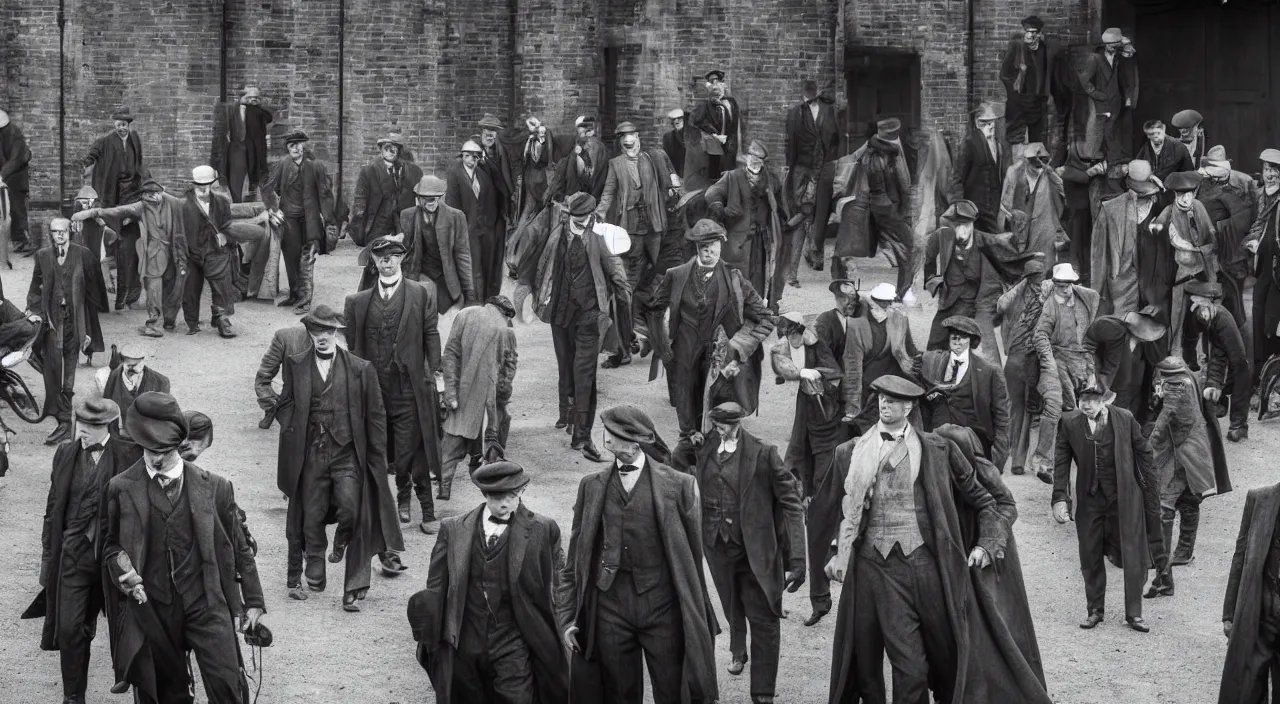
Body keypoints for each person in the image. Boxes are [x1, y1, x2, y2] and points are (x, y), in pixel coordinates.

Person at [825, 375, 1051, 704]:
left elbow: (986, 501)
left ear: (910, 406)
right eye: (880, 399)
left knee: (947, 661)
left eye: (892, 400)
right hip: (880, 570)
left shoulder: (939, 449)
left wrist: (985, 545)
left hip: (931, 569)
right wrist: (837, 550)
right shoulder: (852, 452)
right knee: (904, 668)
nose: (884, 405)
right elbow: (842, 510)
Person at [101, 391, 264, 704]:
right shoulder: (120, 488)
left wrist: (253, 600)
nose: (156, 458)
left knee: (229, 688)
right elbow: (111, 547)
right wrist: (125, 572)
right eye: (149, 449)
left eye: (163, 449)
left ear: (180, 444)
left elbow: (239, 548)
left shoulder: (216, 487)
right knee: (164, 696)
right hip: (154, 610)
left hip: (206, 603)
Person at [557, 405, 720, 704]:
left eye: (614, 435)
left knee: (673, 692)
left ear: (635, 442)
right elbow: (574, 561)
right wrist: (568, 616)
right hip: (610, 608)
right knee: (618, 694)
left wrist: (697, 611)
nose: (606, 439)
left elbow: (692, 559)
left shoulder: (679, 486)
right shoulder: (590, 487)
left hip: (662, 607)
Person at [274, 305, 406, 609]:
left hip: (348, 451)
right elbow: (286, 402)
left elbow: (376, 416)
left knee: (351, 507)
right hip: (312, 453)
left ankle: (342, 541)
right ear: (309, 332)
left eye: (328, 331)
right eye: (316, 330)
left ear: (337, 333)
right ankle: (316, 557)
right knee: (312, 510)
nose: (322, 336)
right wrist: (291, 431)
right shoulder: (295, 364)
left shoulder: (361, 368)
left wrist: (378, 459)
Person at [409, 460, 569, 704]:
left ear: (522, 492)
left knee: (518, 698)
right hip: (465, 639)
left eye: (511, 496)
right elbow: (436, 586)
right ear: (484, 494)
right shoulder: (453, 529)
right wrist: (431, 634)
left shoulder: (543, 529)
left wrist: (569, 624)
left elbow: (561, 583)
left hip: (514, 639)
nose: (504, 504)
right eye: (496, 498)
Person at [693, 402, 804, 704]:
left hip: (756, 549)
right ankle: (737, 649)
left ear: (739, 423)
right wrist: (685, 447)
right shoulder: (703, 448)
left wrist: (797, 558)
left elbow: (792, 504)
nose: (719, 430)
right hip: (717, 545)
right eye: (716, 425)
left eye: (725, 426)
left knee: (764, 617)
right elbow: (671, 468)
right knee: (731, 604)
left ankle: (763, 693)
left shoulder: (763, 453)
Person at [26, 399, 132, 704]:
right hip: (72, 557)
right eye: (80, 423)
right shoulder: (65, 453)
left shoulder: (129, 455)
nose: (81, 431)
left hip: (111, 560)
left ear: (107, 427)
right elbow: (52, 508)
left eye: (90, 426)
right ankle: (73, 697)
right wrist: (48, 559)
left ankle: (132, 678)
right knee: (71, 629)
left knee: (127, 626)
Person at [647, 218, 774, 463]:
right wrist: (663, 348)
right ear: (696, 249)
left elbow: (765, 317)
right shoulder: (676, 275)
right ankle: (686, 448)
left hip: (719, 358)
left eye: (713, 247)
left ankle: (714, 453)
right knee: (685, 403)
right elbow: (653, 310)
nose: (709, 253)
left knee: (715, 407)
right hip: (683, 352)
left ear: (721, 245)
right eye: (704, 248)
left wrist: (741, 346)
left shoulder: (734, 279)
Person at [517, 191, 629, 462]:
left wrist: (624, 312)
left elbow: (617, 274)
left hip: (590, 316)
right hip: (560, 314)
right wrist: (527, 292)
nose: (579, 222)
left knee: (585, 374)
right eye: (574, 217)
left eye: (583, 218)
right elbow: (535, 262)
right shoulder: (555, 234)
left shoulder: (602, 237)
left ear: (591, 215)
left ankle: (582, 432)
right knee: (565, 364)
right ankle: (565, 411)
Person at [344, 235, 444, 532]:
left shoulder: (421, 294)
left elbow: (431, 335)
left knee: (411, 449)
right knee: (374, 450)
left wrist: (435, 373)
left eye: (393, 257)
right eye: (381, 258)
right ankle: (385, 504)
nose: (387, 263)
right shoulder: (358, 302)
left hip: (408, 388)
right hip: (375, 390)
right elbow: (352, 347)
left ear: (402, 259)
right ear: (373, 262)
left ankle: (423, 507)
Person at [1053, 382, 1162, 633]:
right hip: (1090, 500)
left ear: (1105, 400)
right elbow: (1061, 462)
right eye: (1083, 399)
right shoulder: (1069, 422)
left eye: (1093, 399)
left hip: (1124, 497)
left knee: (1133, 555)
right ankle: (1094, 610)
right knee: (1089, 555)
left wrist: (1151, 498)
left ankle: (1134, 614)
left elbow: (1145, 455)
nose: (1087, 404)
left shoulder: (1124, 418)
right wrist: (1060, 497)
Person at [769, 303, 852, 626]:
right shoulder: (783, 347)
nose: (792, 337)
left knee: (823, 497)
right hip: (809, 416)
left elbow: (835, 374)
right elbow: (782, 366)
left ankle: (827, 549)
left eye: (795, 331)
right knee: (798, 478)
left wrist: (820, 378)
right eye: (788, 332)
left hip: (827, 420)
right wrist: (801, 374)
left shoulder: (818, 345)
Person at [595, 121, 681, 366]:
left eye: (631, 136)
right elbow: (608, 194)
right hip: (628, 233)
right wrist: (598, 215)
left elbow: (672, 187)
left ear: (638, 138)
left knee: (657, 282)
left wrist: (674, 195)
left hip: (655, 229)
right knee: (624, 288)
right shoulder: (615, 165)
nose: (627, 141)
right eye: (623, 138)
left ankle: (651, 336)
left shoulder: (651, 160)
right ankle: (622, 346)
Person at [1146, 355, 1231, 598]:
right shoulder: (1189, 377)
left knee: (1165, 506)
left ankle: (1164, 574)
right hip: (1193, 447)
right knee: (1188, 499)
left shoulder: (1175, 386)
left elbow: (1165, 419)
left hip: (1183, 452)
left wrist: (1148, 448)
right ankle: (1181, 554)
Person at [27, 217, 107, 445]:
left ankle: (65, 420)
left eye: (63, 231)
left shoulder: (83, 255)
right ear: (50, 234)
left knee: (70, 371)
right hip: (53, 324)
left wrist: (90, 323)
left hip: (75, 322)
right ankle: (62, 418)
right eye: (54, 232)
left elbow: (95, 288)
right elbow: (34, 287)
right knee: (53, 370)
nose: (59, 235)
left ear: (70, 231)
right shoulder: (42, 256)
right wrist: (33, 310)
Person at [73, 179, 188, 337]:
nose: (151, 197)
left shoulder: (173, 202)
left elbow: (191, 208)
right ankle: (154, 324)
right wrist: (94, 212)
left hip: (175, 253)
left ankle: (167, 320)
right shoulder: (142, 206)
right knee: (154, 289)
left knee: (172, 287)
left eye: (154, 193)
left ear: (161, 192)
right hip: (155, 254)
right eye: (148, 194)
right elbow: (118, 211)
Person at [441, 295, 518, 496]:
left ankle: (444, 485)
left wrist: (450, 391)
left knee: (451, 445)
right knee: (489, 442)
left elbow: (450, 352)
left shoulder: (465, 314)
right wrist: (502, 397)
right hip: (487, 399)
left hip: (459, 394)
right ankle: (488, 485)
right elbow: (509, 368)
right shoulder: (506, 329)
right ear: (506, 314)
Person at [831, 117, 916, 296]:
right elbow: (905, 186)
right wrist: (903, 212)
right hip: (888, 210)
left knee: (846, 248)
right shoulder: (893, 154)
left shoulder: (867, 152)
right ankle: (903, 293)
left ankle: (842, 287)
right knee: (910, 248)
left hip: (869, 206)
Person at [916, 315, 1010, 469]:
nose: (957, 339)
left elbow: (1001, 417)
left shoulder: (988, 371)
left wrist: (999, 457)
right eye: (953, 334)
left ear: (972, 340)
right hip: (936, 439)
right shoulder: (931, 362)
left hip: (972, 442)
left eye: (963, 335)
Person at [706, 139, 790, 309]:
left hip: (762, 236)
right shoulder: (733, 176)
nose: (754, 161)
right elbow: (712, 193)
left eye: (759, 159)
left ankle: (756, 305)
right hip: (738, 237)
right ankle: (733, 306)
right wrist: (718, 207)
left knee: (760, 272)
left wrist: (783, 219)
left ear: (763, 162)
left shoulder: (771, 179)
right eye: (752, 157)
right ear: (747, 157)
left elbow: (781, 204)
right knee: (737, 272)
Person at [261, 130, 336, 314]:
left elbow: (325, 195)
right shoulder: (282, 165)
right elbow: (268, 188)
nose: (295, 148)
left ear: (304, 146)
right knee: (291, 258)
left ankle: (305, 300)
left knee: (307, 259)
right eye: (291, 145)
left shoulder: (316, 166)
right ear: (287, 148)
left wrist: (329, 221)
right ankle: (295, 293)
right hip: (289, 219)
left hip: (310, 219)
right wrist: (273, 209)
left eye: (299, 144)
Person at [1218, 481, 1280, 704]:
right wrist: (1229, 613)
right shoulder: (1260, 499)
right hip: (1260, 617)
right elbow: (1240, 556)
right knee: (1247, 692)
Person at [995, 259, 1057, 475]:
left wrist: (1023, 283)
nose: (1041, 279)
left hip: (1021, 359)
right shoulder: (1043, 297)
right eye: (1038, 276)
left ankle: (1017, 459)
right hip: (1026, 361)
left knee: (1018, 409)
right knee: (1024, 409)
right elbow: (1000, 305)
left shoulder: (1029, 297)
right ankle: (1019, 459)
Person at [83, 106, 148, 310]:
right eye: (118, 125)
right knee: (114, 247)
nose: (122, 128)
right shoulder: (104, 141)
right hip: (112, 195)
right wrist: (85, 165)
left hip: (132, 193)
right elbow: (91, 156)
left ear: (129, 125)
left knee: (131, 247)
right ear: (114, 125)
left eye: (125, 125)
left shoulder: (135, 138)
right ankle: (112, 295)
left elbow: (140, 162)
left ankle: (131, 296)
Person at [1035, 263, 1100, 454]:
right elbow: (1040, 335)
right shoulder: (1050, 305)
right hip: (1058, 359)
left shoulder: (1083, 298)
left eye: (1068, 284)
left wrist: (1090, 367)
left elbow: (1094, 296)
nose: (1065, 289)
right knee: (1057, 405)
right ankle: (1043, 459)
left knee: (1089, 408)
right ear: (1054, 284)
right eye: (1060, 285)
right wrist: (1049, 364)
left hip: (1083, 361)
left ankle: (1083, 453)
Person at [1091, 159, 1170, 317]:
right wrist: (1096, 292)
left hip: (1152, 283)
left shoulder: (1159, 206)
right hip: (1123, 281)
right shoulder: (1111, 210)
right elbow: (1098, 255)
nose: (1145, 197)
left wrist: (1162, 189)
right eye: (1140, 192)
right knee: (1122, 323)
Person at [923, 200, 1004, 355]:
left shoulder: (984, 241)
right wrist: (933, 281)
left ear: (973, 224)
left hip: (973, 304)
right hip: (948, 300)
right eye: (958, 225)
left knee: (977, 348)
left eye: (966, 225)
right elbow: (927, 258)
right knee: (935, 343)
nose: (962, 230)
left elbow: (1007, 252)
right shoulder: (942, 236)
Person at [1151, 170, 1218, 352]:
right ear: (1175, 195)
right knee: (1176, 315)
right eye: (1181, 195)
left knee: (1203, 315)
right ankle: (1174, 351)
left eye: (1188, 195)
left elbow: (1212, 235)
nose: (1185, 200)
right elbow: (1156, 226)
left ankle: (1201, 354)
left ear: (1194, 194)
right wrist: (1157, 228)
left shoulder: (1198, 207)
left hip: (1202, 270)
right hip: (1180, 272)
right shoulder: (1170, 210)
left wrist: (1201, 249)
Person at [840, 282, 919, 434]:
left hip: (895, 367)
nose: (884, 306)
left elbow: (910, 349)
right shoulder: (857, 325)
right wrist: (852, 404)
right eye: (879, 302)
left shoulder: (899, 318)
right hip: (869, 372)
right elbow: (852, 363)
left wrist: (918, 363)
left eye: (887, 302)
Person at [784, 80, 840, 285]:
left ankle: (814, 256)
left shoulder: (829, 111)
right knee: (801, 215)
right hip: (801, 170)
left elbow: (836, 141)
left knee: (820, 217)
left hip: (824, 170)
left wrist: (830, 165)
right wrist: (791, 170)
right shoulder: (794, 114)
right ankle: (791, 274)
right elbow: (789, 143)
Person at [1185, 279, 1251, 442]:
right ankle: (1216, 404)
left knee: (1241, 368)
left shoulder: (1222, 316)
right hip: (1211, 324)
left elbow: (1226, 355)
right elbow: (1190, 345)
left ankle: (1239, 424)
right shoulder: (1191, 315)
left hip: (1235, 327)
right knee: (1209, 364)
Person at [1083, 305, 1167, 428]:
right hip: (1115, 387)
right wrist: (1105, 388)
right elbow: (1110, 366)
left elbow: (1154, 362)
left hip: (1131, 391)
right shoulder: (1115, 333)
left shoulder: (1144, 347)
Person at [180, 165, 239, 338]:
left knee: (221, 286)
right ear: (193, 184)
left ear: (213, 183)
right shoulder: (183, 204)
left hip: (215, 251)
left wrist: (225, 236)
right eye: (199, 185)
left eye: (207, 184)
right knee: (190, 289)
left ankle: (222, 320)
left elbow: (228, 225)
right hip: (191, 253)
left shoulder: (221, 201)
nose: (203, 188)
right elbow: (178, 231)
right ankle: (192, 323)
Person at [446, 140, 504, 300]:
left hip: (485, 229)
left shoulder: (483, 176)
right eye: (468, 156)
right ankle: (474, 302)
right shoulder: (455, 175)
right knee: (474, 267)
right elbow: (452, 204)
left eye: (475, 156)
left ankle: (486, 299)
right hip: (467, 229)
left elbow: (492, 201)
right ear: (462, 157)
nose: (472, 160)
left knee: (487, 265)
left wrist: (489, 223)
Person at [1000, 16, 1070, 146]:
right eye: (1028, 32)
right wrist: (1015, 93)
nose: (1030, 36)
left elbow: (1051, 72)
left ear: (1039, 34)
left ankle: (1036, 164)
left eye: (1034, 32)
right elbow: (1004, 74)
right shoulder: (1016, 47)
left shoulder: (1045, 49)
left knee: (1037, 141)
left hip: (1037, 102)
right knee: (1015, 140)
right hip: (1018, 103)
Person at [99, 342, 170, 467]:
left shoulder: (160, 382)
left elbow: (165, 417)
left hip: (145, 443)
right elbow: (106, 405)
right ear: (122, 362)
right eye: (128, 365)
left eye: (135, 365)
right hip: (119, 440)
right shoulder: (114, 376)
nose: (132, 369)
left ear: (143, 361)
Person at [998, 141, 1065, 271]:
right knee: (1024, 265)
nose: (1038, 169)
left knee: (1044, 264)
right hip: (1021, 228)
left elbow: (1063, 191)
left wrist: (1050, 172)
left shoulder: (1048, 173)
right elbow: (1005, 202)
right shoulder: (1014, 172)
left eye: (1041, 165)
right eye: (1035, 165)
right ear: (1027, 162)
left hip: (1044, 226)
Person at [350, 131, 423, 248]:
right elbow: (360, 197)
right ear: (381, 150)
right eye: (387, 148)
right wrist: (359, 219)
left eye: (394, 148)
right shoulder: (369, 171)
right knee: (378, 248)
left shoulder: (409, 171)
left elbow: (416, 194)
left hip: (400, 220)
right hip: (378, 219)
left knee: (402, 248)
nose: (390, 152)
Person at [947, 102, 1009, 233]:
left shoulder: (998, 146)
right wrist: (959, 205)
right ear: (977, 123)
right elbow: (957, 177)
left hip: (993, 207)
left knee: (991, 241)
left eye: (992, 122)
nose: (991, 126)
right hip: (974, 208)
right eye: (985, 123)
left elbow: (999, 177)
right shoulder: (969, 143)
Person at [1079, 28, 1138, 164]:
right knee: (1097, 130)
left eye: (1115, 45)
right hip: (1099, 101)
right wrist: (1096, 94)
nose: (1112, 48)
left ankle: (1113, 161)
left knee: (1112, 131)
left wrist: (1125, 44)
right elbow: (1084, 80)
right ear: (1105, 45)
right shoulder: (1095, 59)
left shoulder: (1119, 58)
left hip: (1115, 101)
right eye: (1110, 45)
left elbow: (1130, 57)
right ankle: (1092, 159)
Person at [1249, 148, 1280, 383]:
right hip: (1264, 267)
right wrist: (1251, 240)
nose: (1270, 175)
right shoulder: (1260, 195)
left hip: (1278, 268)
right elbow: (1256, 225)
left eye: (1275, 171)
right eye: (1267, 170)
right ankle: (1261, 371)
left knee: (1273, 319)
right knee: (1258, 315)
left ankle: (1274, 367)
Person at [211, 85, 273, 203]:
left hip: (253, 149)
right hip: (237, 147)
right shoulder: (232, 109)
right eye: (249, 97)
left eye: (255, 97)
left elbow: (268, 118)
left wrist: (257, 106)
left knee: (254, 176)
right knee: (236, 177)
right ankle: (236, 201)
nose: (251, 100)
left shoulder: (257, 111)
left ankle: (252, 198)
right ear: (242, 96)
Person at [1060, 137, 1108, 286]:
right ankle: (1077, 272)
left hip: (1095, 201)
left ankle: (1091, 273)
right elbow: (1061, 170)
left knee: (1093, 237)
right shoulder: (1070, 146)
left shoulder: (1099, 145)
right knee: (1077, 237)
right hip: (1078, 201)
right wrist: (1088, 174)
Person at [254, 322, 312, 430]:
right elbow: (263, 377)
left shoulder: (343, 350)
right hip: (293, 396)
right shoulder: (285, 337)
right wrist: (271, 403)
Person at [691, 69, 742, 182]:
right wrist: (714, 133)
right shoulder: (707, 105)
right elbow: (698, 121)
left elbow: (735, 123)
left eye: (717, 81)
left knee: (729, 174)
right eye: (712, 82)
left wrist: (732, 140)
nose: (716, 85)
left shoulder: (731, 102)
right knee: (714, 173)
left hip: (729, 145)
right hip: (714, 145)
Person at [0, 107, 32, 253]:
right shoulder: (3, 133)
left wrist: (2, 174)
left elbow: (16, 159)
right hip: (5, 177)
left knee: (17, 210)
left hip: (16, 179)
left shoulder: (14, 134)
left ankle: (23, 241)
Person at [1136, 120, 1194, 188]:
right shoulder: (1145, 148)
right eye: (1151, 134)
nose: (1155, 136)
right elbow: (1137, 171)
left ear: (1164, 129)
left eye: (1158, 133)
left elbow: (1189, 173)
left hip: (1173, 188)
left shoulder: (1179, 147)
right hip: (1150, 188)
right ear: (1147, 135)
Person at [662, 108, 689, 179]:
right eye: (674, 120)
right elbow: (667, 157)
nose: (677, 122)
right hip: (676, 173)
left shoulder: (691, 135)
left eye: (679, 119)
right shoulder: (668, 137)